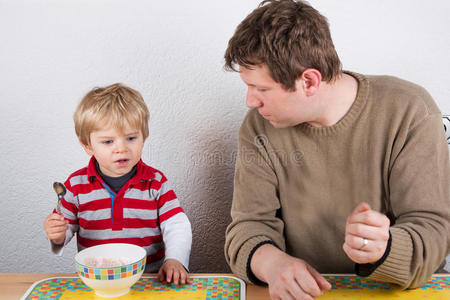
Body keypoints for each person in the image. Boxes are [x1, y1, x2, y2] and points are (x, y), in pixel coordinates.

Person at [224, 0, 450, 299]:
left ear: (309, 81)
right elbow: (249, 227)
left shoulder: (409, 111)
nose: (250, 101)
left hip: (392, 291)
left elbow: (434, 232)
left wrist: (383, 248)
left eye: (261, 89)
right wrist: (273, 264)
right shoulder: (258, 127)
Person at [44, 83, 192, 285]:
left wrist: (175, 259)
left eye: (131, 138)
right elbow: (64, 230)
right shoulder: (76, 186)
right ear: (87, 145)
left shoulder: (155, 183)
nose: (121, 149)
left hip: (150, 280)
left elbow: (177, 225)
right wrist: (57, 234)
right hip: (98, 281)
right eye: (108, 142)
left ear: (143, 138)